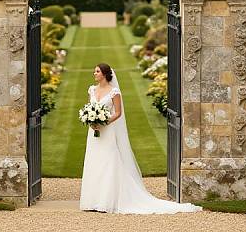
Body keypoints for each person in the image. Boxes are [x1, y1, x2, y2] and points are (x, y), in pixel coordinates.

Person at [79, 62, 202, 214]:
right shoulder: (92, 90)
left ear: (104, 74)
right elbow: (89, 108)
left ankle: (108, 200)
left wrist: (103, 122)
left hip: (108, 131)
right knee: (94, 161)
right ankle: (94, 200)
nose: (94, 73)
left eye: (97, 71)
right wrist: (91, 121)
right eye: (94, 71)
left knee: (109, 160)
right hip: (94, 133)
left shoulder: (114, 92)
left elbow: (118, 113)